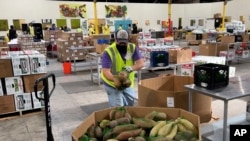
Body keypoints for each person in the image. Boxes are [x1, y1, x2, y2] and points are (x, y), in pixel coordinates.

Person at [101, 29, 144, 107]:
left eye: (124, 42)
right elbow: (106, 71)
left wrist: (131, 68)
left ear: (128, 40)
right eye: (120, 42)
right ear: (115, 40)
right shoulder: (109, 51)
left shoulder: (132, 48)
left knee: (130, 104)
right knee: (119, 107)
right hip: (112, 83)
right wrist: (115, 79)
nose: (122, 44)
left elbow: (140, 63)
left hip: (127, 82)